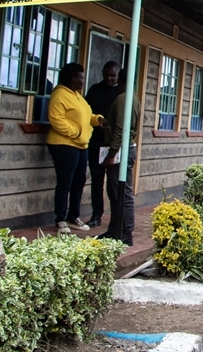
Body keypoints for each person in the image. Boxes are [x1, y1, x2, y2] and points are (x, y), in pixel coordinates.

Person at [47, 63, 104, 233]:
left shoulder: (77, 96)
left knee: (79, 181)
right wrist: (77, 131)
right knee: (65, 182)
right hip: (63, 145)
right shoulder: (60, 95)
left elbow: (86, 115)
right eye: (81, 77)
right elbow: (56, 119)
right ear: (73, 79)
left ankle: (73, 217)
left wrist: (97, 119)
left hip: (81, 145)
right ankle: (60, 219)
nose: (83, 80)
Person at [98, 83, 139, 246]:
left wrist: (112, 153)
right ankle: (115, 229)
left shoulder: (124, 99)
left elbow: (122, 129)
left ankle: (125, 233)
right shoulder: (132, 98)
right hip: (123, 148)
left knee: (123, 193)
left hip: (121, 150)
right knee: (115, 193)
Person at [84, 61, 120, 227]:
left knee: (114, 182)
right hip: (96, 141)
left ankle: (116, 217)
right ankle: (96, 215)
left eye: (113, 75)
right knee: (97, 180)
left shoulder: (121, 93)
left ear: (117, 76)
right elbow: (86, 112)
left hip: (113, 144)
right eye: (106, 75)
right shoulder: (94, 90)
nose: (109, 78)